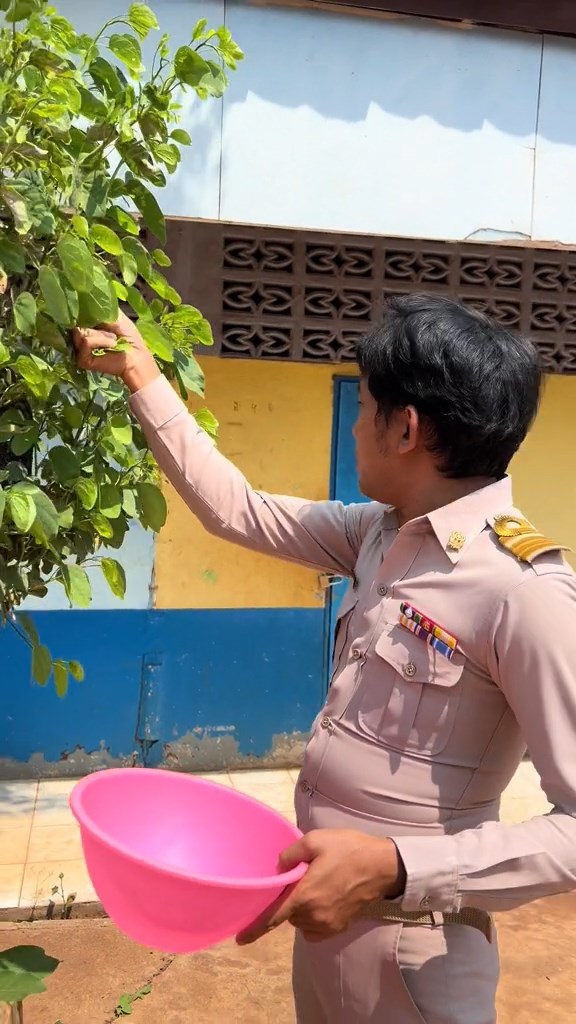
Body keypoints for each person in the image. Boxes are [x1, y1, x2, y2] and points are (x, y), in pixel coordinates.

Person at [73, 294, 576, 1024]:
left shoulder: (521, 590)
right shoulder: (378, 534)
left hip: (416, 956)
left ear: (405, 428)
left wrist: (399, 868)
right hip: (325, 929)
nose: (352, 424)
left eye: (362, 405)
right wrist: (144, 378)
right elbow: (236, 509)